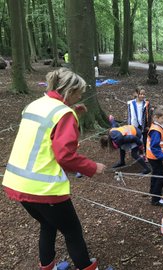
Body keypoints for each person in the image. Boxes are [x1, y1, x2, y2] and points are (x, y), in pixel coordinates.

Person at [2, 68, 106, 270]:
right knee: (73, 231)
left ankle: (47, 267)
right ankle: (86, 266)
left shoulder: (35, 105)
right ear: (69, 91)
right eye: (78, 93)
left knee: (48, 224)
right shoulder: (63, 114)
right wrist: (93, 167)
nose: (80, 96)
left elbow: (44, 133)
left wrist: (72, 112)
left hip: (16, 183)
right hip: (43, 189)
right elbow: (65, 155)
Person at [146, 105, 163, 206]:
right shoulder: (156, 130)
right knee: (160, 177)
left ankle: (153, 191)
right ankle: (156, 199)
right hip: (155, 157)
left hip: (154, 156)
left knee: (155, 174)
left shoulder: (159, 126)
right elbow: (154, 147)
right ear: (156, 118)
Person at [127, 86, 152, 154]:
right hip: (134, 125)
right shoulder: (131, 103)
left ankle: (147, 153)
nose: (142, 96)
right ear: (136, 94)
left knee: (145, 140)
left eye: (144, 94)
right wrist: (129, 125)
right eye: (141, 94)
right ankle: (140, 153)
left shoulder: (146, 104)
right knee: (137, 139)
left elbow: (149, 116)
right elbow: (129, 115)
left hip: (144, 125)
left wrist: (148, 125)